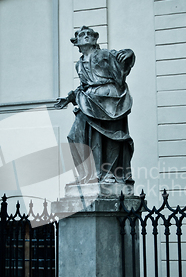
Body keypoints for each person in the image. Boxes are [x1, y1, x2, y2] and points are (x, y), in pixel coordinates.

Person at [55, 26, 135, 185]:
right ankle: (86, 174)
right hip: (87, 101)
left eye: (89, 35)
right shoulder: (79, 64)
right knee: (75, 136)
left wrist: (129, 54)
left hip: (109, 100)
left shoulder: (105, 54)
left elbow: (124, 59)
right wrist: (70, 97)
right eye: (82, 35)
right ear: (76, 42)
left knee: (107, 137)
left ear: (95, 38)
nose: (86, 37)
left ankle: (106, 174)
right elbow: (83, 86)